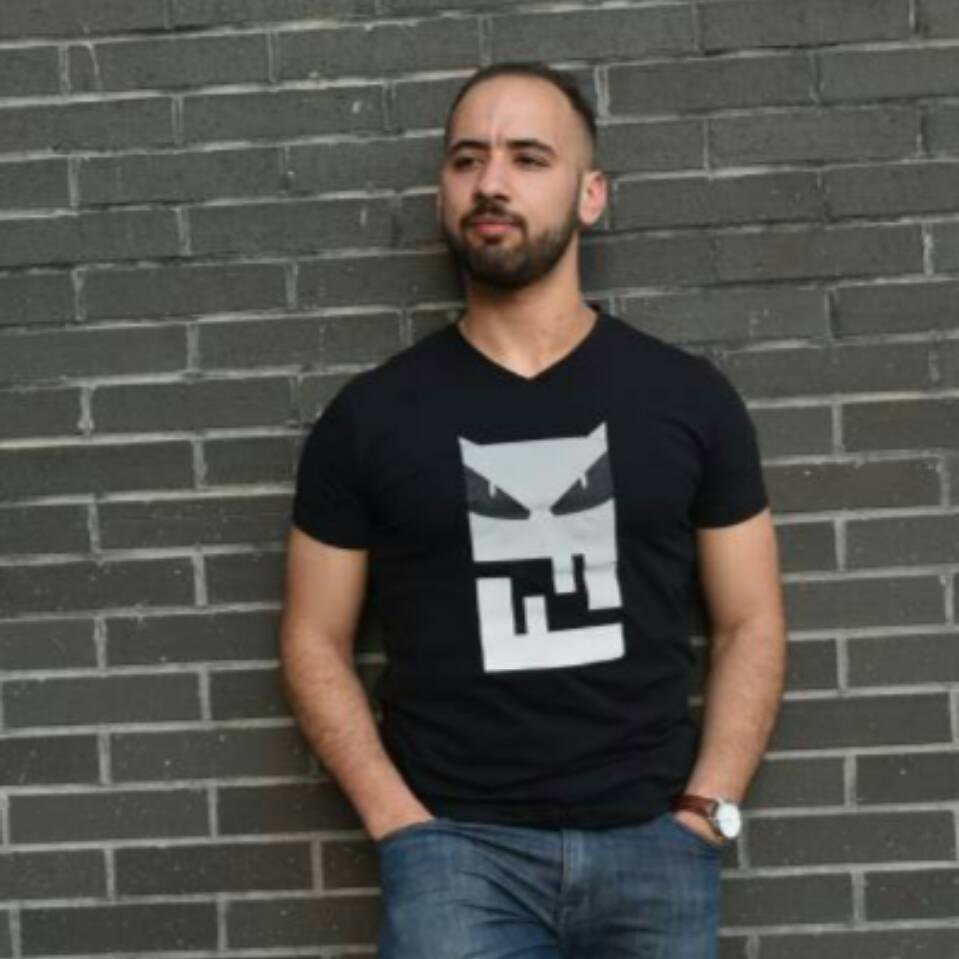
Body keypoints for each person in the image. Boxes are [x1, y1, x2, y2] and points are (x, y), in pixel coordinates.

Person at [280, 60, 787, 959]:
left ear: (590, 195)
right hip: (455, 860)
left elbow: (751, 619)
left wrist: (706, 810)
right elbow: (313, 636)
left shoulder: (687, 400)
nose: (491, 182)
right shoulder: (370, 417)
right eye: (466, 160)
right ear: (442, 192)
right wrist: (401, 825)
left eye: (527, 157)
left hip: (654, 849)